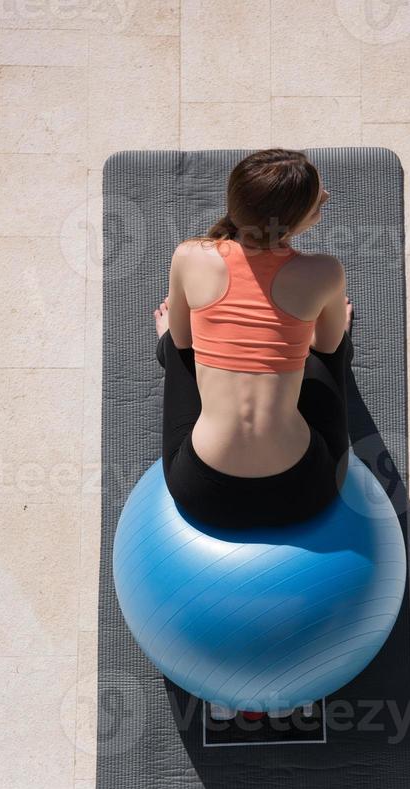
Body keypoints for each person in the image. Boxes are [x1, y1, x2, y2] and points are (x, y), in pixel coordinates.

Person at [152, 147, 354, 530]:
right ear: (292, 223)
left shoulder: (190, 256)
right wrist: (296, 329)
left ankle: (159, 348)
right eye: (317, 199)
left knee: (177, 351)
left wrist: (179, 339)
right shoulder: (324, 272)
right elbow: (325, 348)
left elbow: (184, 339)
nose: (326, 197)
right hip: (307, 492)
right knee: (330, 354)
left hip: (200, 492)